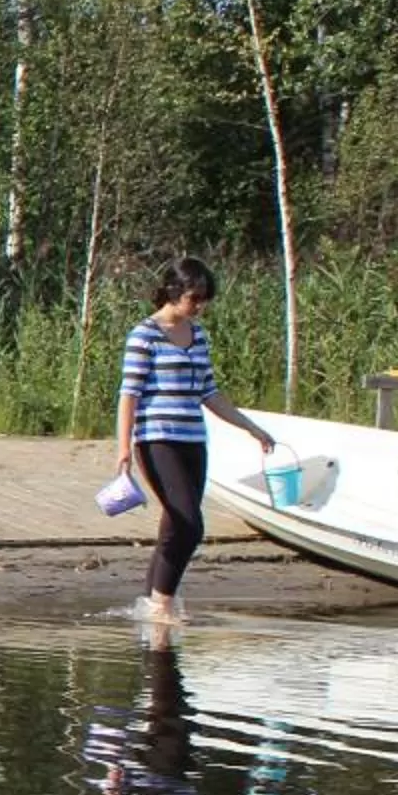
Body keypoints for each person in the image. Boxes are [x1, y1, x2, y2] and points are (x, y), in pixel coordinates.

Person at [115, 255, 275, 627]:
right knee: (189, 522)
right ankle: (162, 605)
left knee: (175, 523)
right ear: (173, 292)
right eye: (194, 298)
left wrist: (251, 427)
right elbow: (129, 395)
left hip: (192, 439)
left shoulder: (197, 335)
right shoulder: (144, 335)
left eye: (204, 299)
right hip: (157, 439)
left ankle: (152, 604)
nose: (200, 306)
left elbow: (209, 392)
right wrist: (123, 449)